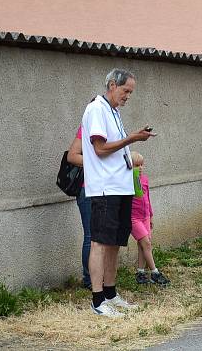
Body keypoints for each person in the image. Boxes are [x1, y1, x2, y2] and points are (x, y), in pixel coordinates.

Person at [82, 68, 155, 317]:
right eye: (126, 91)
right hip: (104, 187)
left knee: (114, 243)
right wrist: (132, 138)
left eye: (130, 93)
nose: (127, 97)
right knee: (100, 242)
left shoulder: (113, 111)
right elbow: (100, 148)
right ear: (112, 85)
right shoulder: (96, 109)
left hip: (121, 186)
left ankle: (111, 293)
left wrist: (131, 141)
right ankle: (97, 299)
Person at [130, 152, 170, 286]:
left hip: (145, 216)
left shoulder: (145, 179)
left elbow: (147, 199)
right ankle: (155, 272)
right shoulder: (128, 181)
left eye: (142, 165)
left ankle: (140, 272)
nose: (140, 167)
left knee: (143, 245)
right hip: (133, 218)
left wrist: (151, 215)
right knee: (146, 243)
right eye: (136, 165)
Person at [67, 122, 91, 290]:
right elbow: (72, 156)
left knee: (102, 237)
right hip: (87, 191)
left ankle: (100, 276)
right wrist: (96, 161)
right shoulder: (86, 128)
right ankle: (89, 279)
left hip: (104, 191)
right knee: (91, 236)